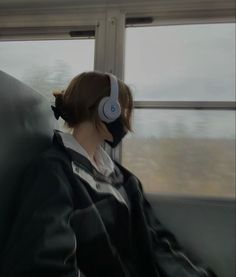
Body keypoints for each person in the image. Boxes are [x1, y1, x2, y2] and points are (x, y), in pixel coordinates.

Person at [1, 72, 216, 277]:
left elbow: (155, 241)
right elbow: (45, 263)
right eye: (122, 110)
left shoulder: (125, 180)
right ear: (107, 110)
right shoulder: (53, 173)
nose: (125, 121)